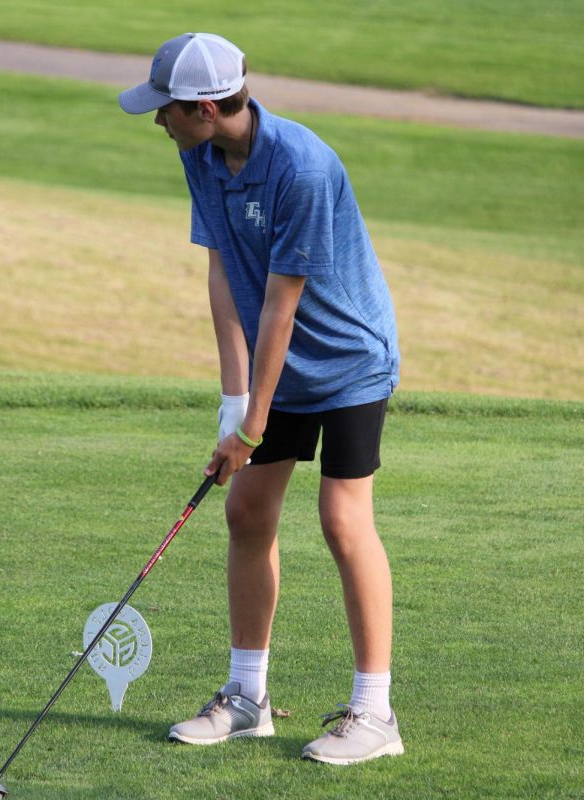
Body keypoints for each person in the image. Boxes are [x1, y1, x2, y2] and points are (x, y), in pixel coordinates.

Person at [118, 33, 403, 765]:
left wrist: (251, 426)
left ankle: (375, 714)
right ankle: (247, 699)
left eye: (168, 111)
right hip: (278, 370)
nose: (159, 122)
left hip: (346, 365)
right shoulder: (200, 155)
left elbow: (280, 307)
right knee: (247, 510)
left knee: (342, 519)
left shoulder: (301, 168)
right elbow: (223, 275)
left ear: (206, 109)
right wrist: (232, 399)